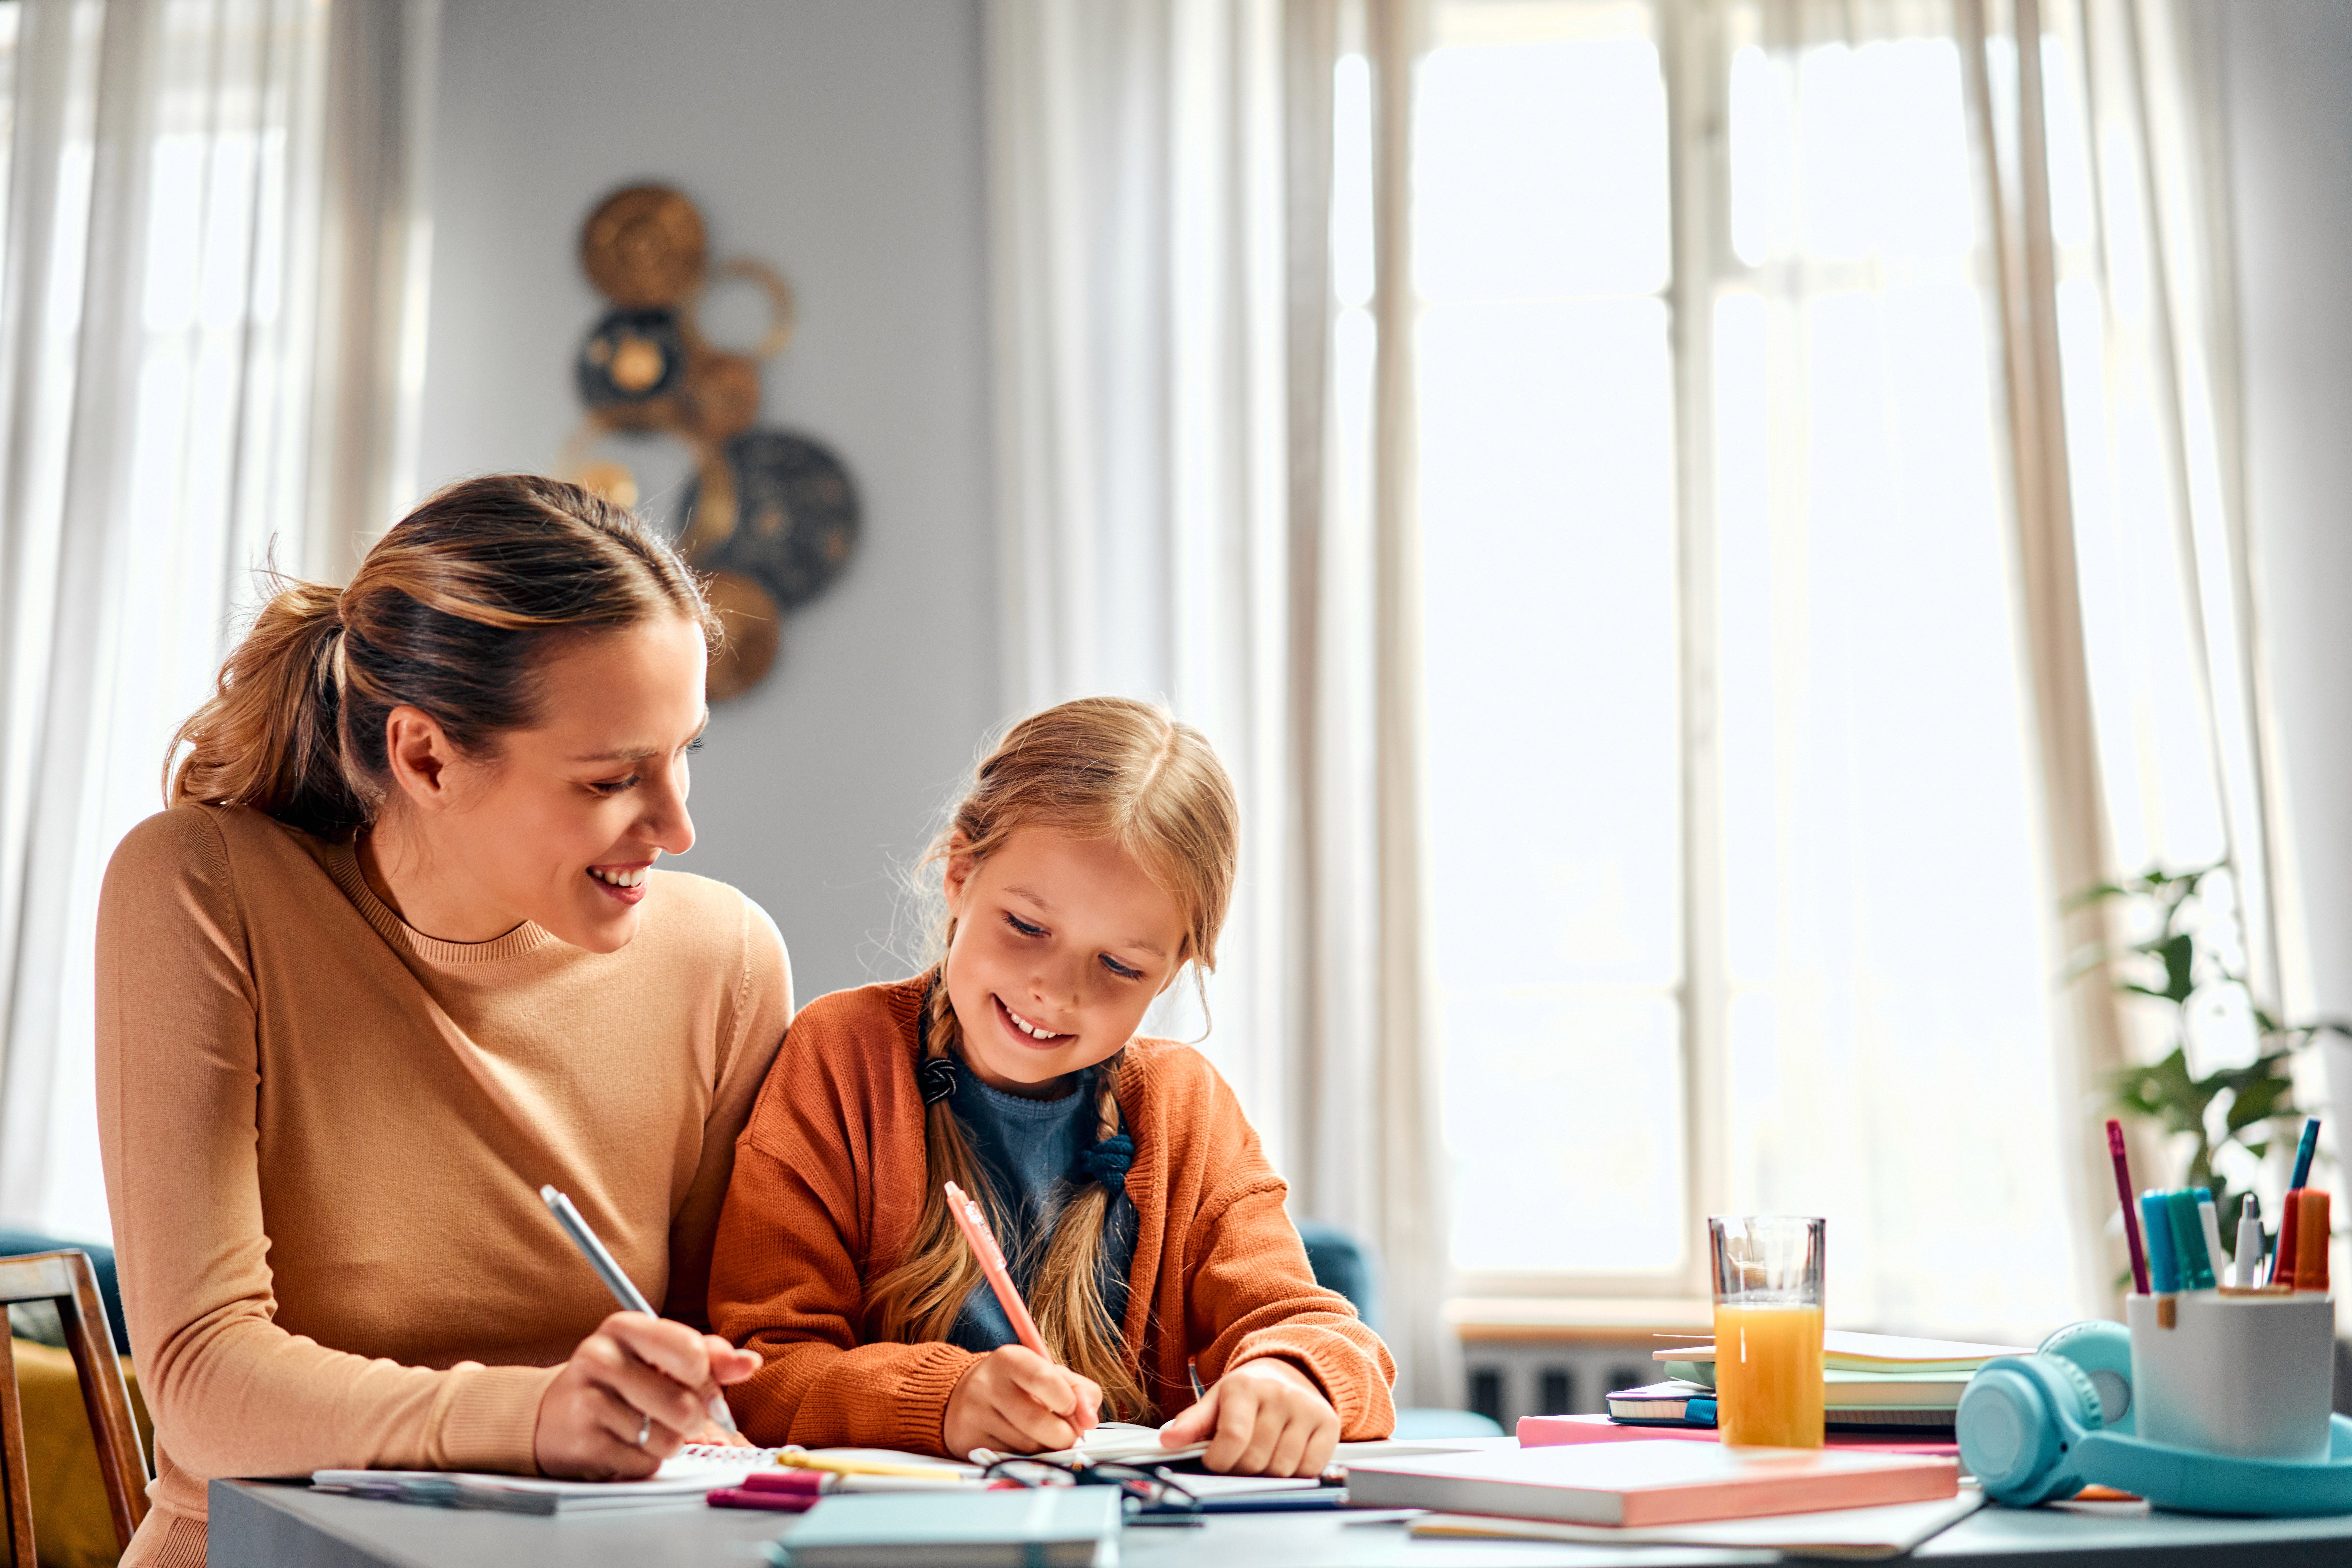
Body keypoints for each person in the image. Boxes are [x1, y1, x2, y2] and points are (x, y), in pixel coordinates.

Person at [95, 476, 790, 1566]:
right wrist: (535, 1415)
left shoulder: (725, 959)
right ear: (425, 757)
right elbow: (201, 1383)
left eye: (684, 752)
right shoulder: (206, 885)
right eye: (612, 777)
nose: (676, 826)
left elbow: (732, 1365)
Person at [708, 697, 1393, 1476]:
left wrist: (1292, 1377)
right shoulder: (843, 1056)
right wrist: (946, 1400)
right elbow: (760, 1369)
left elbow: (1327, 1337)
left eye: (1121, 966)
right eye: (1028, 927)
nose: (1057, 991)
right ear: (961, 873)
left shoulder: (1185, 1107)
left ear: (1172, 971)